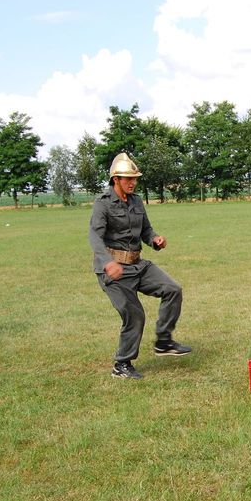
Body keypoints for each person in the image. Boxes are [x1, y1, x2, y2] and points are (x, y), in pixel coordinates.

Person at [89, 153, 191, 380]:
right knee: (134, 314)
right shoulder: (102, 204)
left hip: (138, 264)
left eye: (134, 178)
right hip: (114, 272)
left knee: (172, 289)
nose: (133, 182)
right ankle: (121, 364)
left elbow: (146, 230)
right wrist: (108, 263)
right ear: (115, 179)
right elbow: (95, 237)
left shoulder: (136, 201)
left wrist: (155, 239)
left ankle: (164, 342)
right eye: (128, 179)